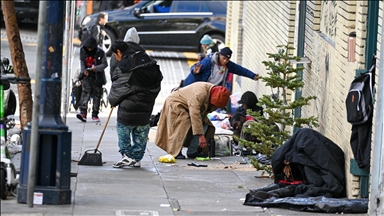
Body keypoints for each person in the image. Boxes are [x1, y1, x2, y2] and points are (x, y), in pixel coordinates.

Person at [108, 40, 163, 168]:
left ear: (119, 52)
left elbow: (118, 88)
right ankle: (137, 158)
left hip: (130, 106)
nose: (116, 58)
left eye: (116, 55)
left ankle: (127, 156)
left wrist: (112, 101)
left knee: (123, 128)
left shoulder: (126, 65)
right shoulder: (146, 60)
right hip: (147, 104)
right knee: (141, 130)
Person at [155, 82, 230, 159]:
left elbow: (202, 113)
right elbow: (195, 114)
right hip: (176, 103)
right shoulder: (200, 93)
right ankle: (175, 151)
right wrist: (200, 135)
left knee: (205, 123)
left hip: (189, 106)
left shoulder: (214, 92)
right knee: (183, 123)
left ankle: (193, 151)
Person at [182, 47, 259, 87]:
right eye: (223, 58)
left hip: (211, 90)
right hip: (194, 86)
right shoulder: (208, 62)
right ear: (219, 55)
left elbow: (240, 70)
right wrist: (194, 71)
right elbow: (194, 67)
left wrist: (253, 76)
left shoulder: (228, 65)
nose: (225, 61)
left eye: (227, 59)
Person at [76, 37, 108, 122]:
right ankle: (83, 112)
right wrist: (84, 71)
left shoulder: (100, 52)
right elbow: (82, 62)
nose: (89, 50)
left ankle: (95, 114)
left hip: (97, 77)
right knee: (85, 93)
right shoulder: (83, 51)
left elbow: (105, 64)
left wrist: (96, 68)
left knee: (97, 95)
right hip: (87, 76)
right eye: (88, 48)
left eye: (91, 48)